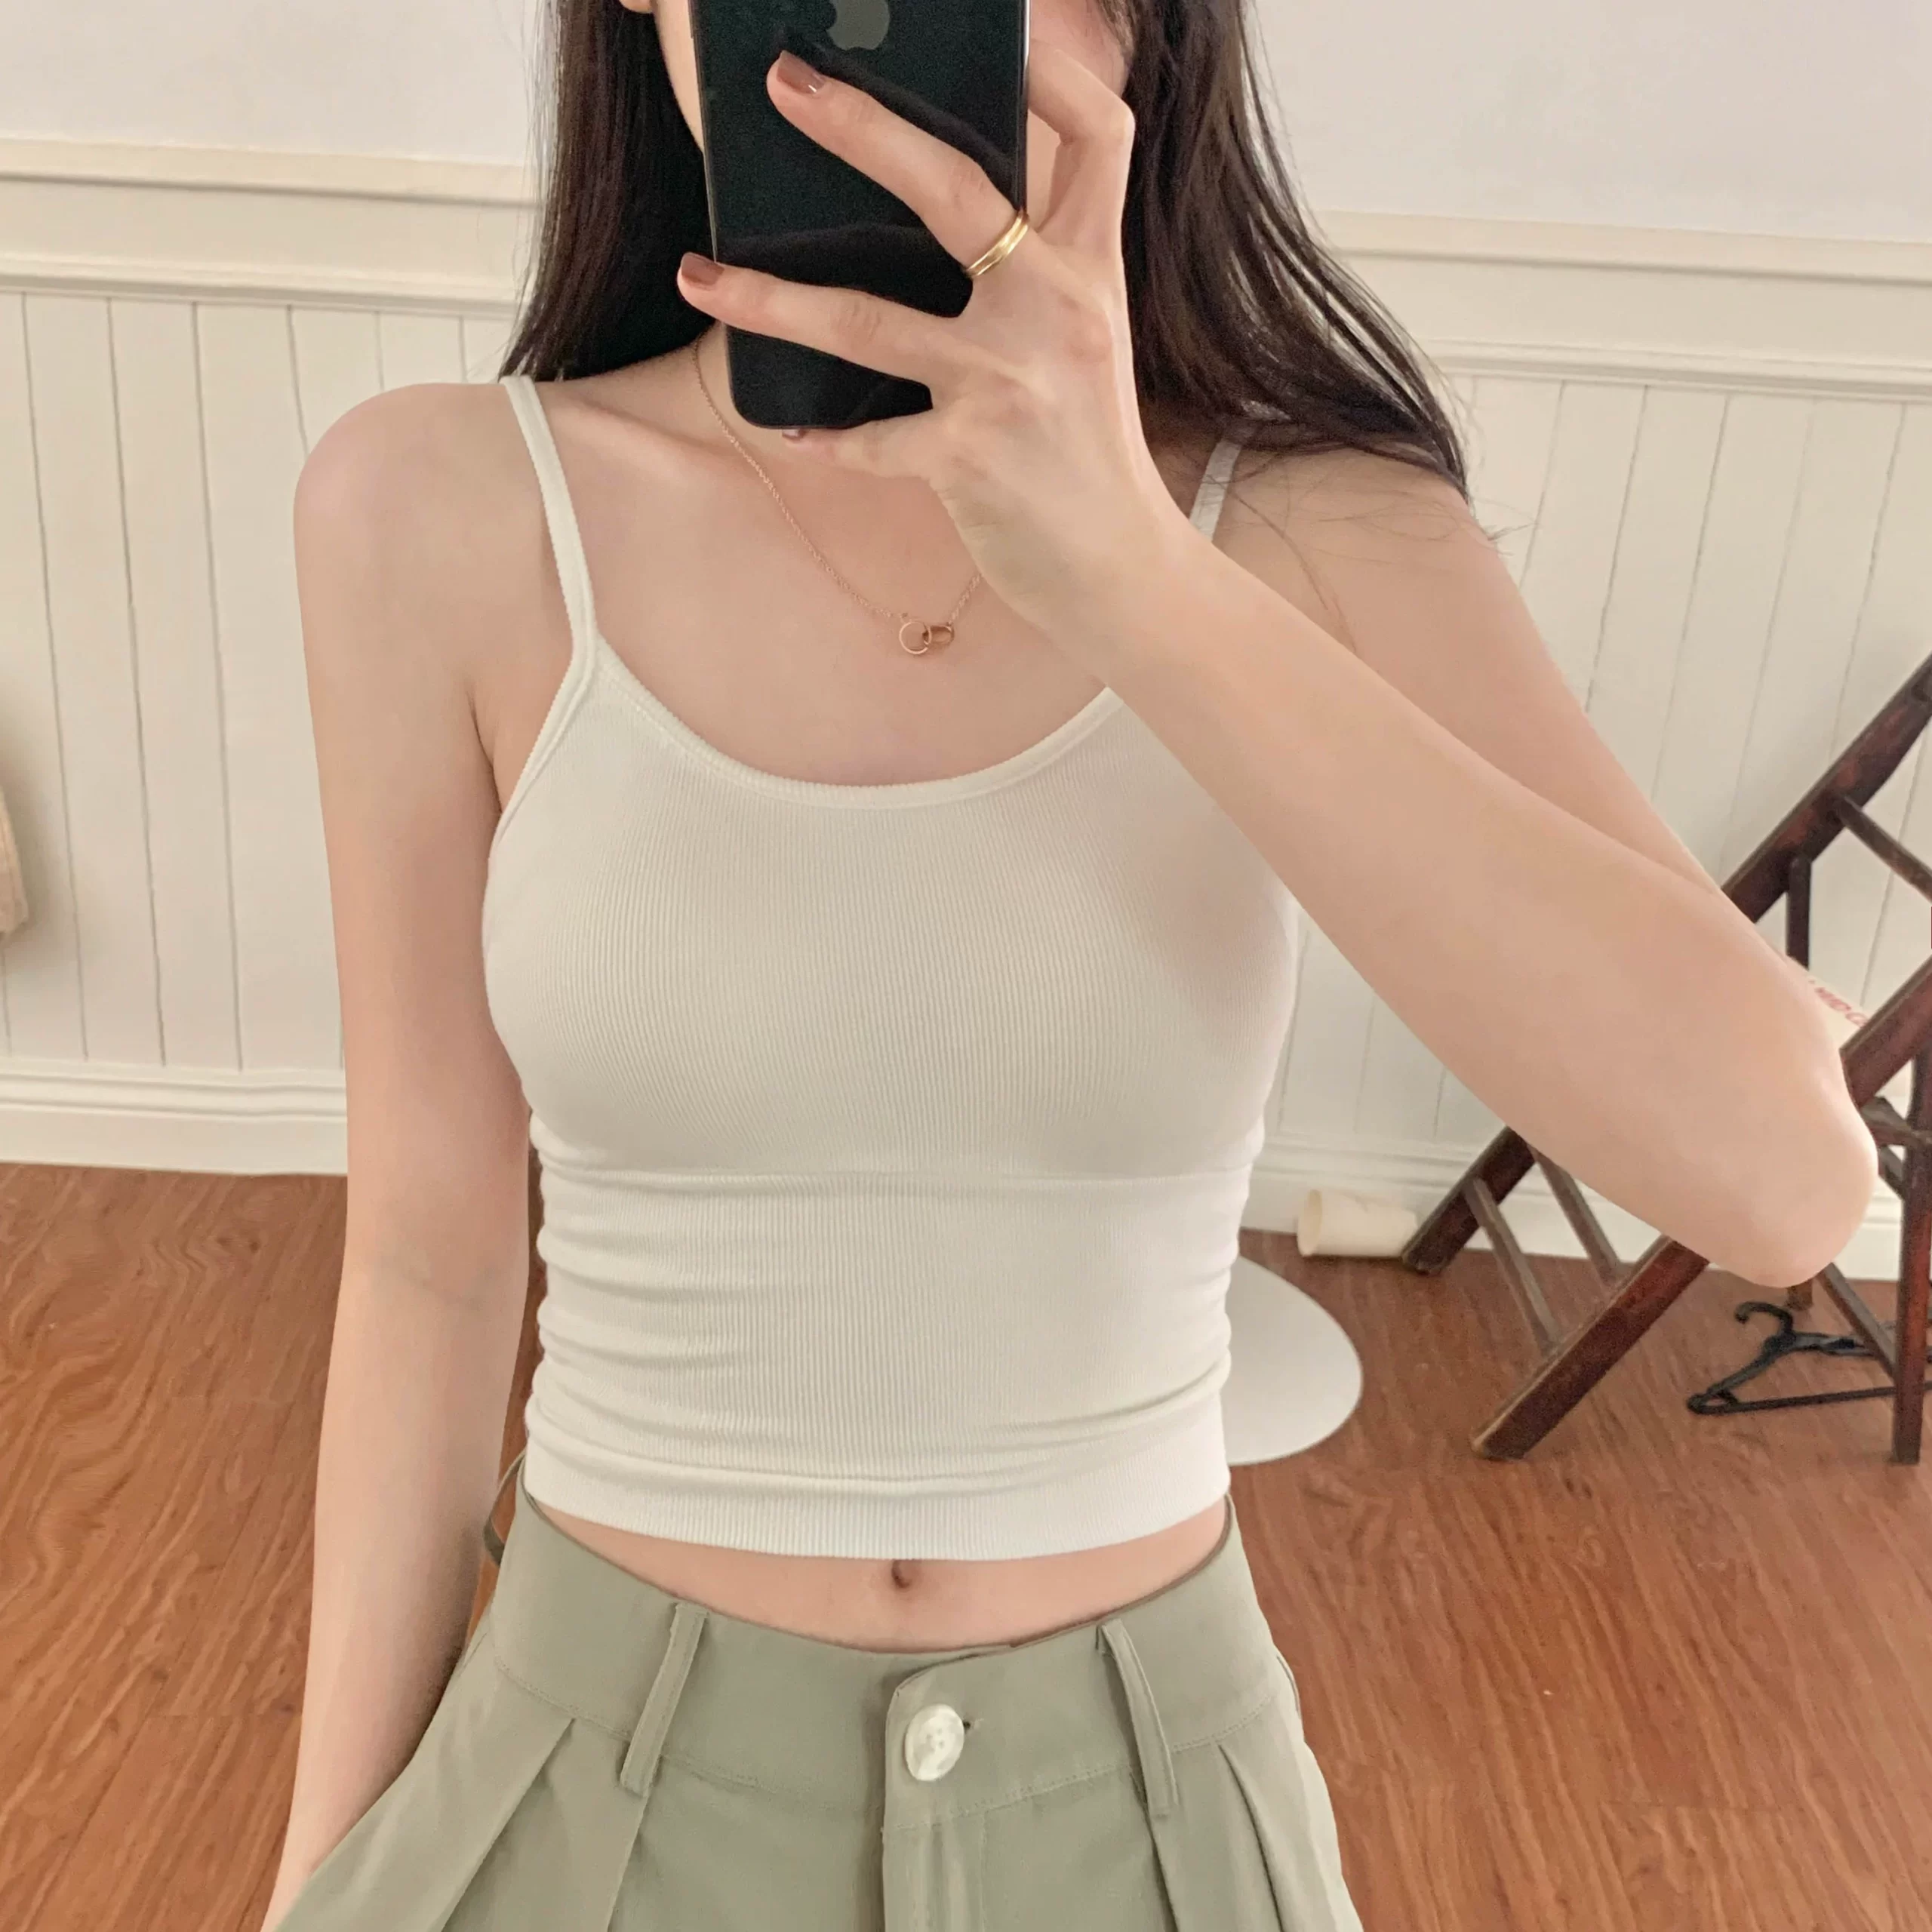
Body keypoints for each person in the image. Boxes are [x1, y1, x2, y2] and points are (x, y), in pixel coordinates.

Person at [261, 0, 1877, 1926]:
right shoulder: (435, 505)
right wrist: (321, 1874)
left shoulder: (1313, 528)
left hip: (1145, 1799)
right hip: (581, 1769)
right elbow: (429, 1260)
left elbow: (1782, 1182)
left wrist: (1131, 569)